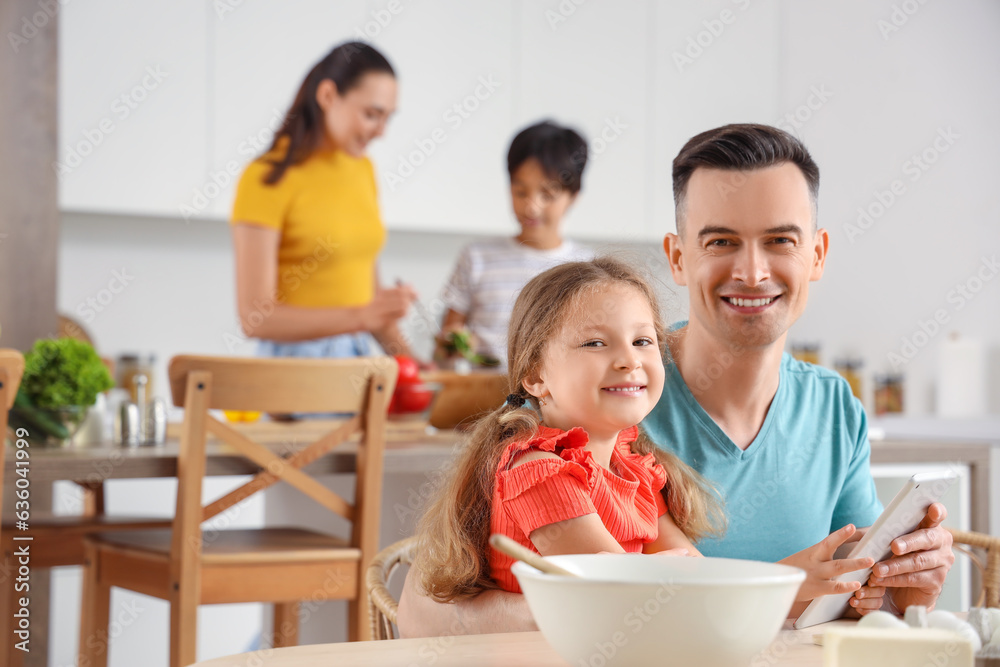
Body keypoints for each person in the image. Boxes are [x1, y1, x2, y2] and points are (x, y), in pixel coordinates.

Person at [397, 124, 954, 636]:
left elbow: (841, 601)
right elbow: (422, 612)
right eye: (721, 242)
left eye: (781, 241)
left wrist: (898, 593)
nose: (752, 272)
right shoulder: (602, 401)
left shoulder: (835, 406)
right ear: (678, 257)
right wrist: (595, 609)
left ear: (817, 254)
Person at [415, 257, 724, 604]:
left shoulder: (635, 467)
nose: (630, 360)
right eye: (594, 343)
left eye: (642, 341)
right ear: (535, 376)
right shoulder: (538, 473)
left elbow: (700, 582)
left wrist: (677, 576)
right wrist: (673, 575)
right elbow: (625, 596)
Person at [230, 41, 421, 362]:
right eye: (372, 114)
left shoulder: (363, 170)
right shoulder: (266, 177)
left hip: (357, 362)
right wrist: (363, 315)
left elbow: (367, 300)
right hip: (293, 370)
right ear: (328, 96)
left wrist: (418, 366)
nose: (381, 131)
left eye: (388, 118)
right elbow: (254, 317)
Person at [436, 121, 594, 367]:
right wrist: (455, 344)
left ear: (573, 196)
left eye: (547, 195)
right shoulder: (476, 257)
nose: (531, 206)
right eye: (520, 192)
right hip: (484, 400)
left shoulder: (587, 268)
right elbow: (447, 340)